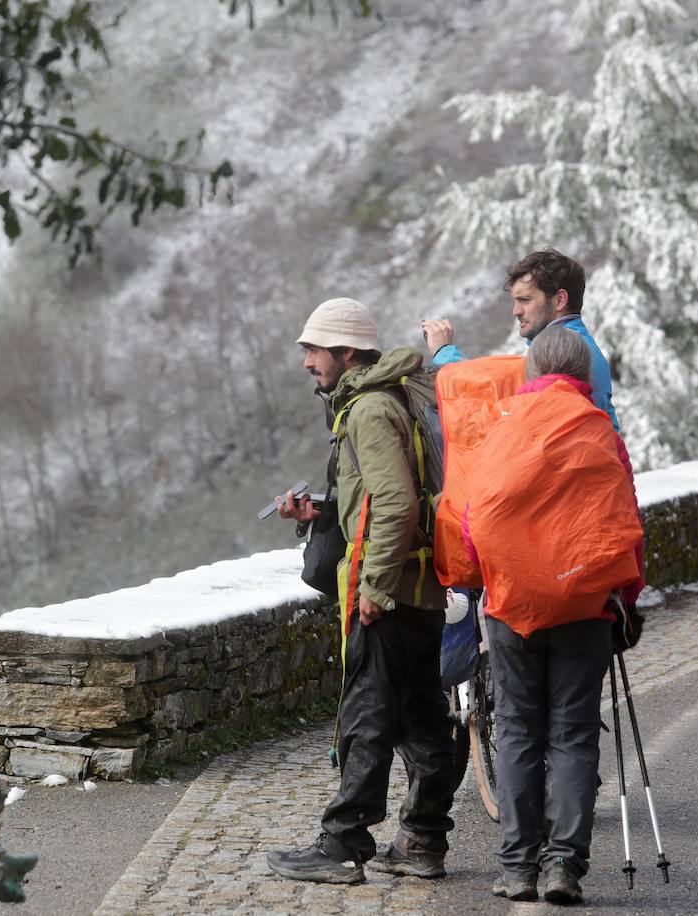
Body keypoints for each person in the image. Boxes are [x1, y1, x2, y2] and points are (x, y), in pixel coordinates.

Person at [266, 297, 456, 885]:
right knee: (423, 718)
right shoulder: (394, 396)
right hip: (419, 585)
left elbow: (395, 503)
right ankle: (423, 840)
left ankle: (344, 843)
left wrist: (373, 584)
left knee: (366, 715)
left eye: (313, 351)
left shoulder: (370, 410)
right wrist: (317, 514)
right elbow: (377, 499)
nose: (306, 363)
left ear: (347, 353)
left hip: (388, 590)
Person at [459, 327, 644, 905]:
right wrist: (625, 600)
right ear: (584, 376)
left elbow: (472, 517)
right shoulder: (599, 430)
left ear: (531, 372)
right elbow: (624, 520)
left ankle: (518, 868)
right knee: (572, 731)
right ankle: (564, 864)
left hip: (513, 604)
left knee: (517, 730)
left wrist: (485, 577)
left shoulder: (502, 427)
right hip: (586, 604)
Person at [421, 247, 620, 431]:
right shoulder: (578, 345)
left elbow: (492, 394)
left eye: (525, 300)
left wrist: (443, 352)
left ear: (559, 300)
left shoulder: (564, 354)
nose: (516, 311)